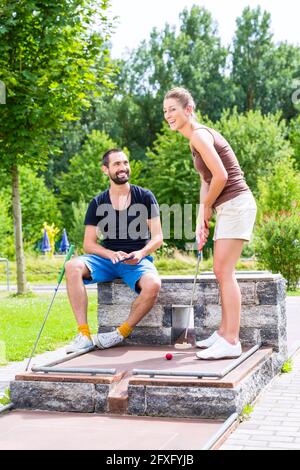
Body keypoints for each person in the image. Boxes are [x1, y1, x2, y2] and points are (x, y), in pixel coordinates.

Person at [163, 87, 257, 360]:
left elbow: (222, 176)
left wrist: (207, 209)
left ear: (188, 110)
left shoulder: (200, 135)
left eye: (173, 109)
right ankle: (223, 332)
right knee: (221, 271)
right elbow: (206, 180)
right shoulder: (194, 140)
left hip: (236, 205)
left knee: (224, 271)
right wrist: (200, 219)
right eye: (165, 111)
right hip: (227, 207)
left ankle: (231, 340)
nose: (168, 115)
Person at [65, 148, 163, 353]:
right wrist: (110, 254)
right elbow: (89, 244)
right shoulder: (98, 202)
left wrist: (142, 253)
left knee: (153, 284)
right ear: (105, 169)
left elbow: (157, 237)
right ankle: (84, 334)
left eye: (125, 163)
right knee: (72, 266)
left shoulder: (144, 196)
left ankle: (120, 333)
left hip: (136, 259)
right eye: (117, 164)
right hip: (108, 259)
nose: (123, 168)